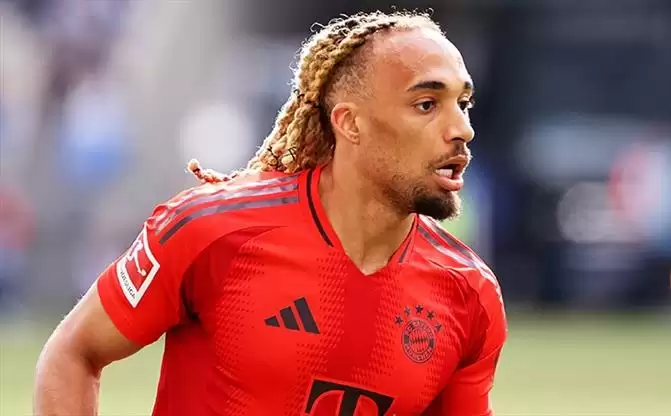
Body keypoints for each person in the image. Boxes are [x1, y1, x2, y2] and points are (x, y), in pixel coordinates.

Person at [33, 10, 507, 416]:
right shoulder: (213, 230)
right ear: (350, 123)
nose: (461, 129)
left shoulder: (470, 294)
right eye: (426, 104)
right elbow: (74, 354)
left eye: (463, 104)